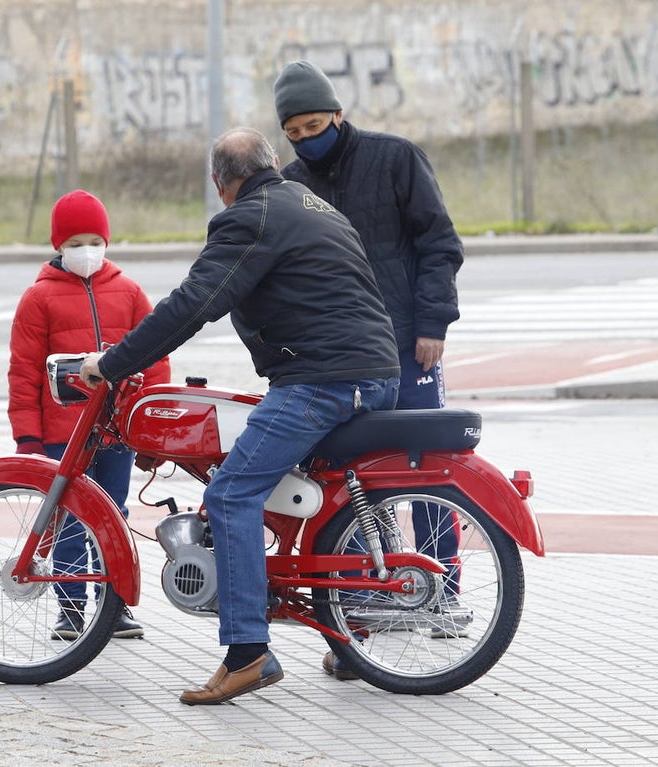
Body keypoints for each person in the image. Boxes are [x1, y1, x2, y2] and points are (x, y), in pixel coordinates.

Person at [79, 127, 401, 705]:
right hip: (374, 374)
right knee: (326, 494)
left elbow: (192, 304)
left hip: (323, 381)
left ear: (219, 184)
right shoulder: (313, 205)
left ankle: (247, 653)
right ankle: (351, 636)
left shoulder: (250, 218)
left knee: (230, 494)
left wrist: (113, 363)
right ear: (272, 161)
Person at [273, 62, 469, 665]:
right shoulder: (290, 185)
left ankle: (443, 592)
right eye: (294, 133)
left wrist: (433, 325)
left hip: (408, 345)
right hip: (341, 359)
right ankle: (359, 608)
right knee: (350, 482)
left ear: (338, 114)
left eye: (314, 126)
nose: (307, 139)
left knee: (428, 470)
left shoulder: (396, 159)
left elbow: (439, 244)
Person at [8, 189, 170, 641]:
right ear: (58, 245)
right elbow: (23, 373)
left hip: (117, 432)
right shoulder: (38, 298)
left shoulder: (130, 292)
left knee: (114, 515)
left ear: (106, 241)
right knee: (69, 519)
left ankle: (114, 607)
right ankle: (71, 608)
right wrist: (27, 437)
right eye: (75, 243)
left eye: (94, 241)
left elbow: (155, 362)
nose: (86, 251)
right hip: (63, 433)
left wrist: (150, 428)